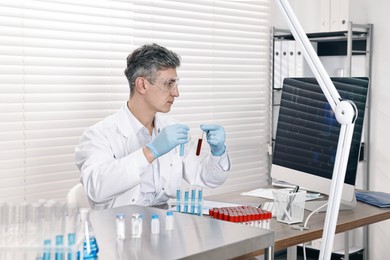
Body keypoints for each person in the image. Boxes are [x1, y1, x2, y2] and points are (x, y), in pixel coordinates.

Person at [75, 43, 231, 209]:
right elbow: (96, 188)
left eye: (176, 84)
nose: (176, 93)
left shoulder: (172, 129)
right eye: (168, 84)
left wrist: (217, 153)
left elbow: (207, 177)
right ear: (142, 85)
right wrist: (150, 152)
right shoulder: (100, 134)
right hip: (120, 228)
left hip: (166, 224)